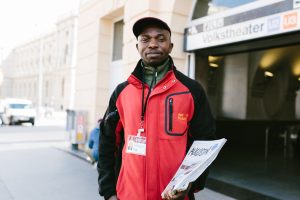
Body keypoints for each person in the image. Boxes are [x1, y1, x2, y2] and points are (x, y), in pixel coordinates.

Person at [98, 17, 216, 200]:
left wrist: (190, 184)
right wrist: (108, 192)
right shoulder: (122, 92)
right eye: (145, 39)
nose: (153, 44)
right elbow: (107, 142)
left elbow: (205, 143)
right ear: (137, 47)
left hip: (175, 196)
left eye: (161, 39)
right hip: (129, 195)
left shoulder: (192, 90)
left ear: (171, 46)